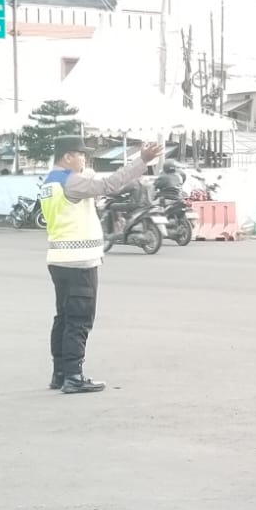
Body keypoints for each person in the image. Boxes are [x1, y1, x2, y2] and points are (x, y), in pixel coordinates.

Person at [40, 135, 164, 394]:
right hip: (79, 262)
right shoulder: (71, 181)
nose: (84, 159)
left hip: (60, 260)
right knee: (79, 319)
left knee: (63, 318)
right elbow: (109, 184)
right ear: (68, 157)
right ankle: (74, 376)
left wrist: (87, 171)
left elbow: (93, 180)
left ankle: (60, 373)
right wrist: (142, 161)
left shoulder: (51, 181)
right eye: (81, 155)